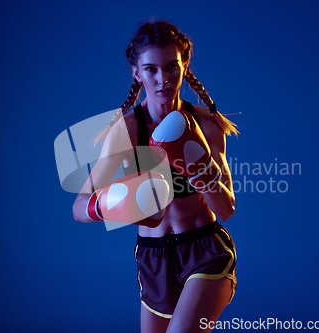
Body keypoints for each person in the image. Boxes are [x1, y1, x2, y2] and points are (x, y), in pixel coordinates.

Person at [73, 20, 239, 333]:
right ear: (137, 73)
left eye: (171, 67)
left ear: (184, 65)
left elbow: (226, 209)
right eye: (150, 69)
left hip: (205, 252)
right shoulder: (127, 130)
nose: (162, 79)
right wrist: (106, 205)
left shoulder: (206, 123)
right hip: (152, 259)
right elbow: (79, 207)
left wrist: (201, 169)